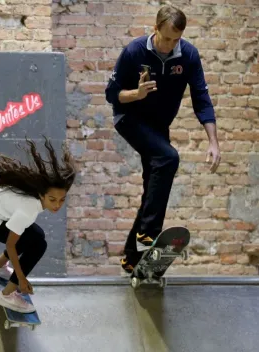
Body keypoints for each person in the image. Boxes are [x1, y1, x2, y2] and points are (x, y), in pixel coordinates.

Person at [104, 5, 221, 273]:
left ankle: (131, 259)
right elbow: (112, 94)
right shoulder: (135, 51)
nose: (169, 45)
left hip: (158, 128)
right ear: (155, 29)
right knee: (169, 157)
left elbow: (201, 98)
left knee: (152, 191)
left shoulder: (189, 55)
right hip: (130, 119)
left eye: (175, 40)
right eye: (165, 38)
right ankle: (148, 236)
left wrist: (213, 142)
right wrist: (136, 94)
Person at [0, 136, 76, 313]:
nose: (57, 205)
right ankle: (7, 294)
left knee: (37, 236)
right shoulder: (29, 209)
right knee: (38, 245)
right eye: (52, 199)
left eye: (61, 200)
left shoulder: (33, 199)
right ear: (42, 195)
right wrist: (21, 278)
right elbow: (11, 245)